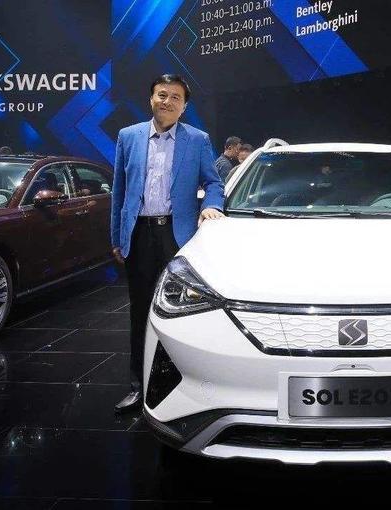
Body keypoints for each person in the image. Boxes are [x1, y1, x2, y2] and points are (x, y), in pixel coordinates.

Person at [110, 74, 225, 412]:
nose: (168, 101)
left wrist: (212, 206)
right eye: (162, 95)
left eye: (176, 97)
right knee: (140, 312)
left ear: (184, 106)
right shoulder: (128, 136)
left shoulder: (198, 139)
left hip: (178, 235)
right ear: (151, 99)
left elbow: (213, 183)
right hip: (139, 234)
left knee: (184, 312)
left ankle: (186, 387)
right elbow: (119, 191)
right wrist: (117, 237)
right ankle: (138, 385)